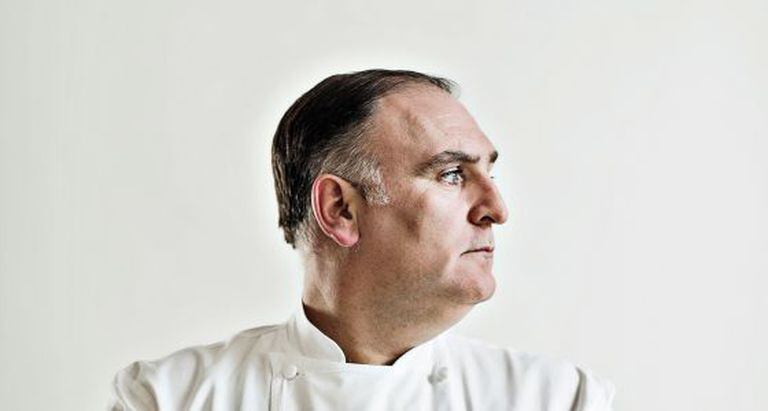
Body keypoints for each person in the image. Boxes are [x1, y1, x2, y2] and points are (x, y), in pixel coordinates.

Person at [109, 69, 615, 410]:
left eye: (489, 173)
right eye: (452, 175)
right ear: (340, 210)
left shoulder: (558, 400)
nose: (496, 210)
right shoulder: (168, 399)